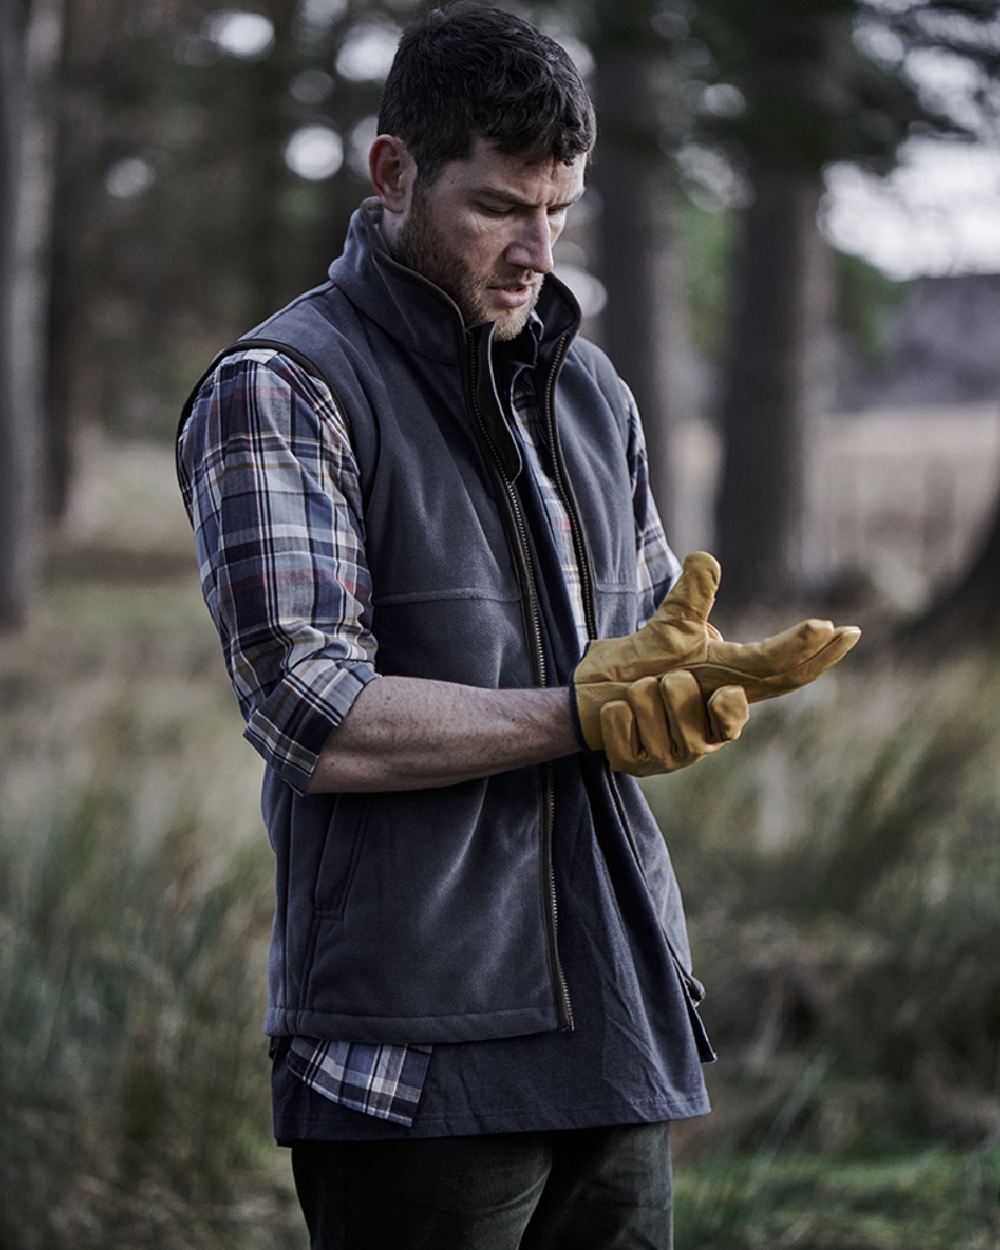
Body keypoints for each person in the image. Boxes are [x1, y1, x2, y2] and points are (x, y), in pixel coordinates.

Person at [176, 6, 858, 1247]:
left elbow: (641, 639)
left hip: (619, 1019)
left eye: (560, 208)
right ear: (395, 176)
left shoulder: (590, 387)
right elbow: (308, 707)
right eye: (497, 205)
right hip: (415, 1051)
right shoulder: (280, 386)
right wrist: (585, 710)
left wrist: (695, 679)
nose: (536, 247)